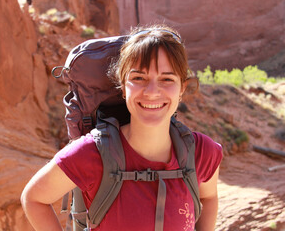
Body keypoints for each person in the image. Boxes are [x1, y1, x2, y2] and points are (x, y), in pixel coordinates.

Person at [21, 24, 223, 231]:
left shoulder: (202, 153)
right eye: (138, 78)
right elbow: (34, 198)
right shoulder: (92, 153)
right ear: (123, 87)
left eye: (166, 79)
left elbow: (209, 197)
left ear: (182, 88)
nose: (152, 92)